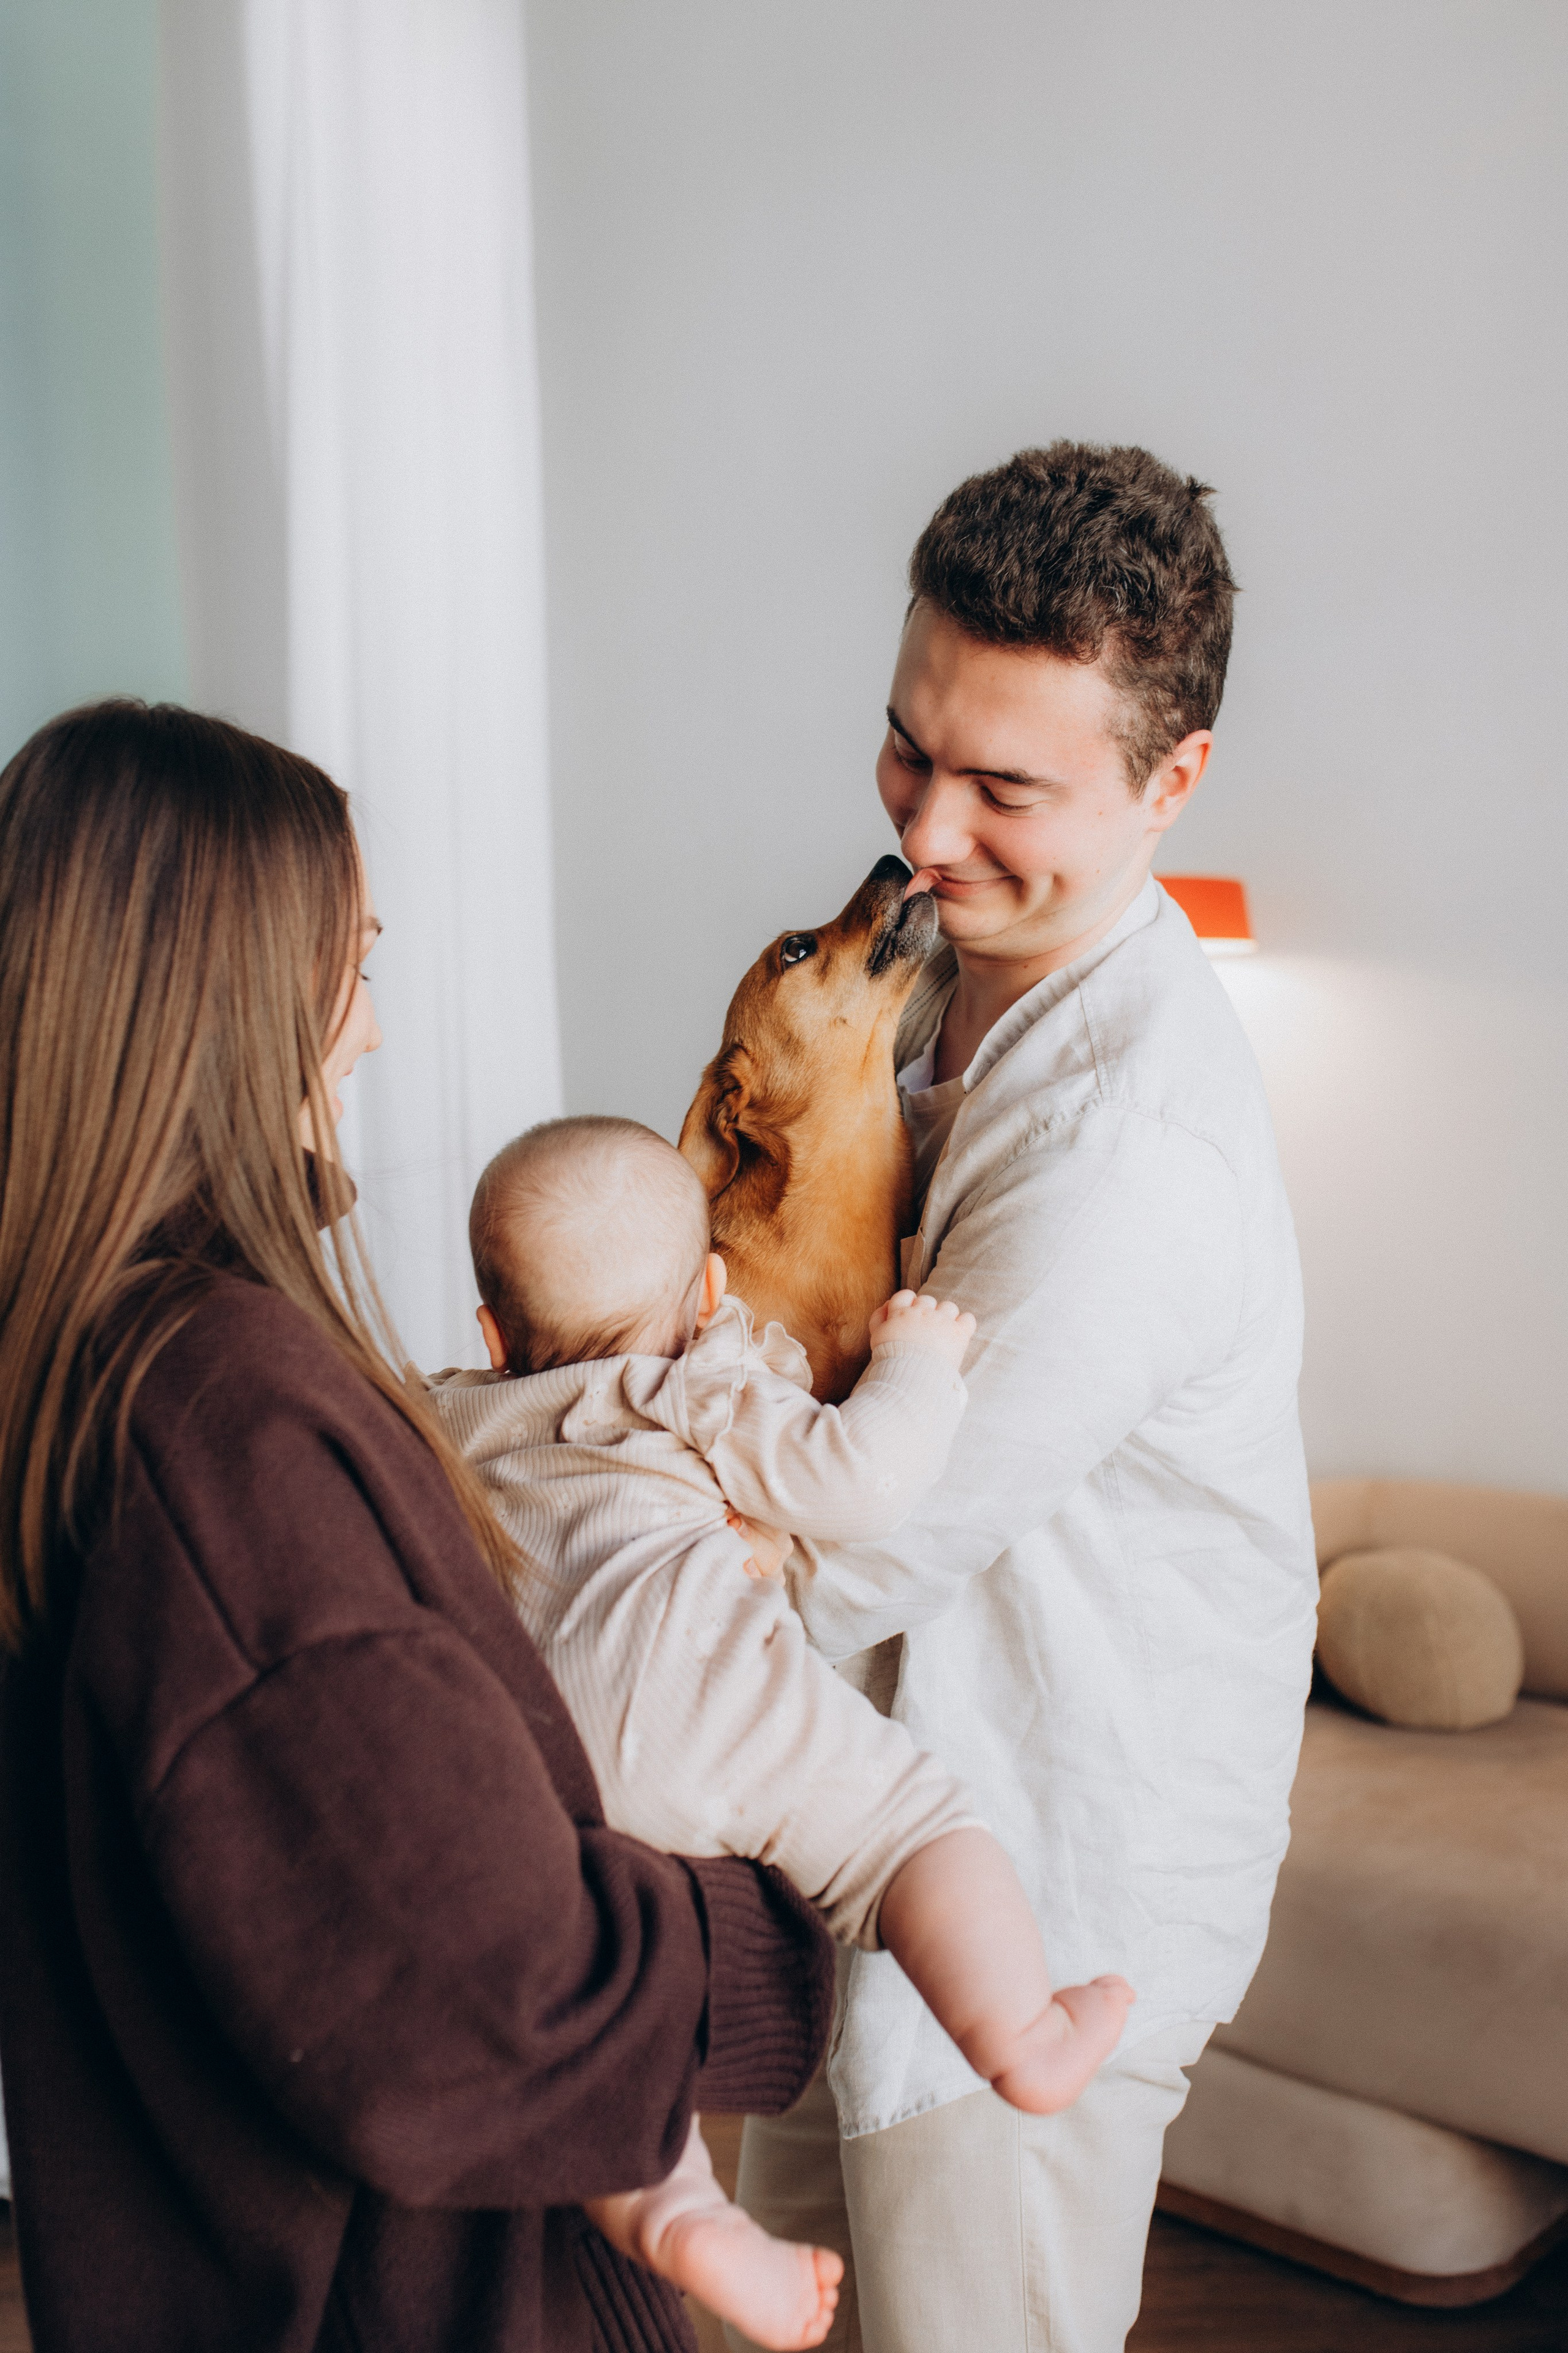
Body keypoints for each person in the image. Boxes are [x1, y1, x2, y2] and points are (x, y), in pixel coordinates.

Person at [0, 700, 839, 2353]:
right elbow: (488, 2005)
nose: (372, 1024)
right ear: (241, 992)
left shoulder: (99, 1365)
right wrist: (777, 1922)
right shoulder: (222, 1420)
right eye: (356, 958)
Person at [731, 443, 1319, 2353]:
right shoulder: (941, 979)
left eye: (1006, 788)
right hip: (861, 1838)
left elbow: (862, 1539)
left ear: (1175, 783)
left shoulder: (1129, 1152)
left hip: (1043, 1882)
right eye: (911, 749)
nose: (927, 829)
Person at [424, 1114, 1136, 2349]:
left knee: (590, 2001)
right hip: (706, 1710)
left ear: (491, 1335)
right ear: (706, 1292)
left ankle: (673, 2214)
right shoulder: (691, 1385)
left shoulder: (450, 1416)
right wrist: (919, 1359)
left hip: (533, 1763)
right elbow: (859, 1482)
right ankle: (1019, 2034)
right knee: (909, 1828)